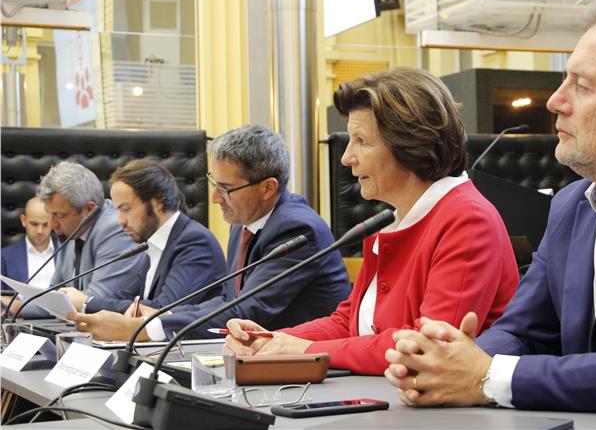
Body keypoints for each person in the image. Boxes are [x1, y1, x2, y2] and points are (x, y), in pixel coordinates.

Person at [383, 0, 596, 427]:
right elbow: (525, 331)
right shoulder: (573, 204)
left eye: (581, 86)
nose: (554, 101)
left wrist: (485, 376)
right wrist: (444, 362)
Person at [224, 67, 519, 375]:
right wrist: (271, 341)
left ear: (410, 145)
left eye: (361, 141)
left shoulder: (467, 220)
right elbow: (349, 322)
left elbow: (427, 348)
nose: (346, 157)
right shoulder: (394, 220)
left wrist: (308, 350)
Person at [70, 125, 351, 341]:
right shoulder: (241, 223)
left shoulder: (297, 230)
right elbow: (227, 300)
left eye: (226, 188)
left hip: (309, 370)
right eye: (214, 183)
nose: (215, 197)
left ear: (267, 188)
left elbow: (245, 311)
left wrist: (142, 329)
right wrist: (165, 314)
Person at [59, 159, 227, 313]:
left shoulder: (194, 242)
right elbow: (129, 300)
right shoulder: (152, 243)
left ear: (158, 202)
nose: (120, 220)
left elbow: (161, 311)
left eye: (126, 209)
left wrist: (86, 303)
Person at [10, 162, 145, 318]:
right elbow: (54, 294)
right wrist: (14, 305)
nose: (52, 224)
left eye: (60, 215)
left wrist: (19, 306)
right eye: (49, 213)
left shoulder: (116, 229)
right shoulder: (70, 229)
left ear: (89, 210)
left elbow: (96, 301)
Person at [1, 197, 58, 312]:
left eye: (45, 225)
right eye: (34, 224)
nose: (40, 231)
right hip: (21, 323)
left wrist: (20, 306)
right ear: (23, 220)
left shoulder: (67, 250)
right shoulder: (5, 256)